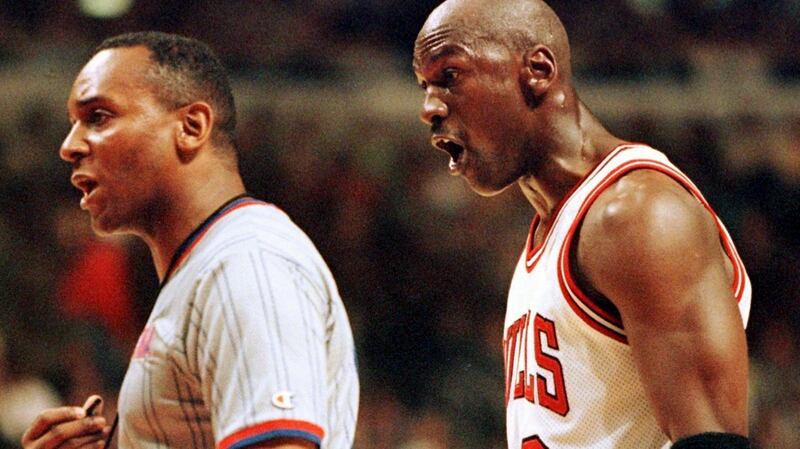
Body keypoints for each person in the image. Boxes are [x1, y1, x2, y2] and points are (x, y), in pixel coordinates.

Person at [412, 1, 752, 449]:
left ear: (537, 69)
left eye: (450, 77)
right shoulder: (553, 226)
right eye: (425, 85)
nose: (429, 108)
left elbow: (713, 443)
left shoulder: (637, 215)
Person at [21, 31, 359, 449]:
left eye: (99, 117)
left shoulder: (246, 261)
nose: (69, 146)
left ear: (191, 126)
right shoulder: (206, 266)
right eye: (73, 123)